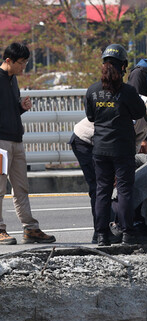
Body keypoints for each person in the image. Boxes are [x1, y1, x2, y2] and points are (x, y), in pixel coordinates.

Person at [70, 91, 147, 242]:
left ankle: (112, 229)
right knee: (100, 188)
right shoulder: (136, 112)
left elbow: (133, 145)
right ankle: (100, 233)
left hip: (109, 145)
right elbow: (118, 141)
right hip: (87, 140)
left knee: (114, 186)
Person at [86, 43, 147, 246]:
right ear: (123, 66)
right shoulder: (128, 91)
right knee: (124, 191)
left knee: (102, 191)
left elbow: (91, 116)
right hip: (122, 149)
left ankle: (102, 235)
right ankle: (127, 232)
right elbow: (139, 113)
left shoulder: (93, 91)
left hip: (100, 149)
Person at [0, 42, 55, 245]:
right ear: (8, 61)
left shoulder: (13, 79)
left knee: (21, 187)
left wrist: (21, 108)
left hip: (16, 140)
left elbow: (8, 109)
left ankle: (30, 228)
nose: (23, 67)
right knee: (0, 187)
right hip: (1, 144)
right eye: (21, 63)